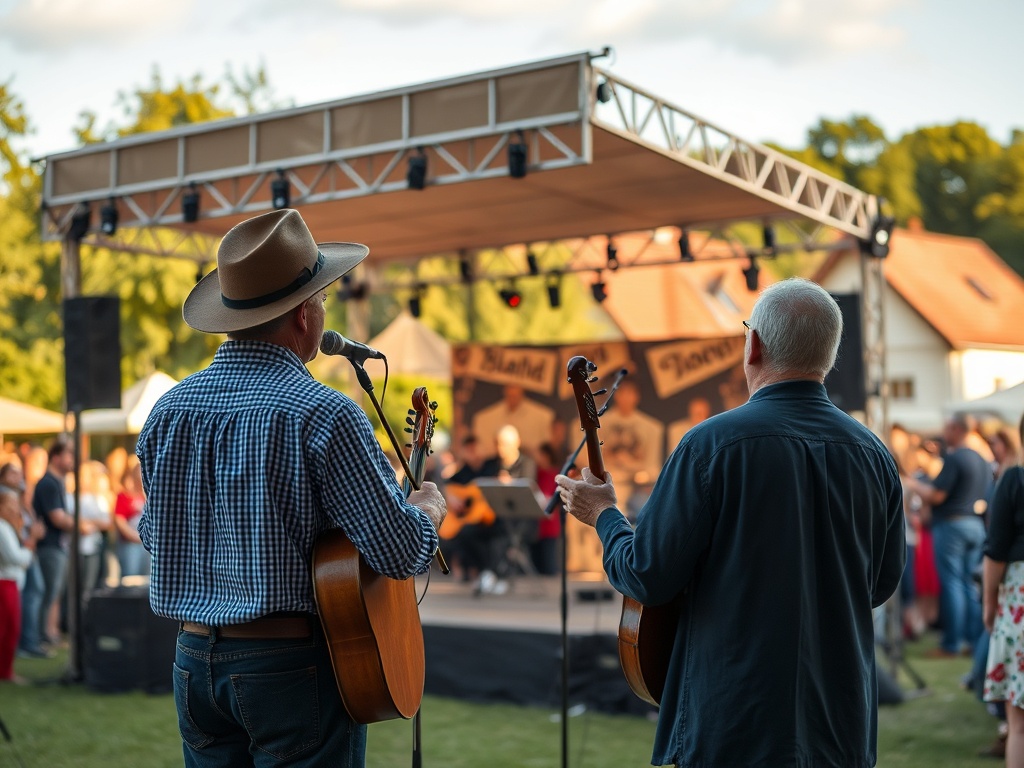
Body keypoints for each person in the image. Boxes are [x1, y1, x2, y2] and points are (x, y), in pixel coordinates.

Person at [137, 208, 446, 767]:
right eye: (322, 298)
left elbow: (154, 537)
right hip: (289, 665)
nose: (324, 309)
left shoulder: (167, 411)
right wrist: (427, 509)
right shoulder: (323, 414)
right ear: (304, 316)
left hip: (192, 659)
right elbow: (399, 551)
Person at [556, 278, 905, 767]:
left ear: (754, 344)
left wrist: (604, 515)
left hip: (735, 721)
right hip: (840, 726)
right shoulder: (876, 455)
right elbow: (881, 583)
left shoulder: (710, 446)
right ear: (829, 354)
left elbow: (646, 575)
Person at [905, 413, 993, 657]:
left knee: (953, 584)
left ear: (956, 429)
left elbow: (936, 495)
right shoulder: (981, 459)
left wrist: (912, 484)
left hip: (952, 526)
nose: (944, 434)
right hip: (975, 526)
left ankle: (952, 643)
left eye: (947, 429)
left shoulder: (956, 458)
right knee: (969, 585)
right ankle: (973, 641)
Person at [982, 413, 1024, 767]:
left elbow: (996, 549)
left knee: (1020, 723)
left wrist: (989, 603)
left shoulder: (1015, 479)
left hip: (1019, 596)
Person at [33, 436, 90, 649]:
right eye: (68, 454)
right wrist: (81, 525)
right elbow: (57, 517)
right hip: (49, 546)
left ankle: (51, 632)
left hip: (57, 546)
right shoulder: (48, 482)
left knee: (55, 592)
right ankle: (42, 635)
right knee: (50, 592)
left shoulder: (57, 482)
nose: (72, 459)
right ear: (56, 457)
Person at [0, 486, 42, 684]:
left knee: (11, 629)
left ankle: (6, 670)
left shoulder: (9, 526)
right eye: (11, 503)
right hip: (4, 583)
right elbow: (15, 558)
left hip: (11, 582)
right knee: (7, 629)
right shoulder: (2, 527)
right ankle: (6, 672)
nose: (15, 508)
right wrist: (32, 541)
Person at [113, 459, 149, 580]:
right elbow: (119, 520)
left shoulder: (150, 498)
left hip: (146, 545)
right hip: (131, 544)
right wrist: (134, 536)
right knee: (130, 578)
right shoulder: (124, 497)